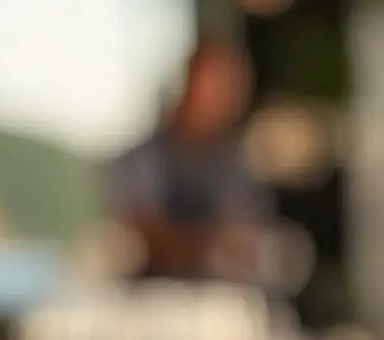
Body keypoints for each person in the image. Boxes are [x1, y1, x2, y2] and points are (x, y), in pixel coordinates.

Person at [108, 37, 275, 284]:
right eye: (216, 84)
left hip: (223, 305)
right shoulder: (143, 158)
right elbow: (142, 233)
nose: (225, 97)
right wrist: (206, 246)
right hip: (148, 306)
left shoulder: (235, 164)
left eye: (232, 86)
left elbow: (250, 235)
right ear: (189, 82)